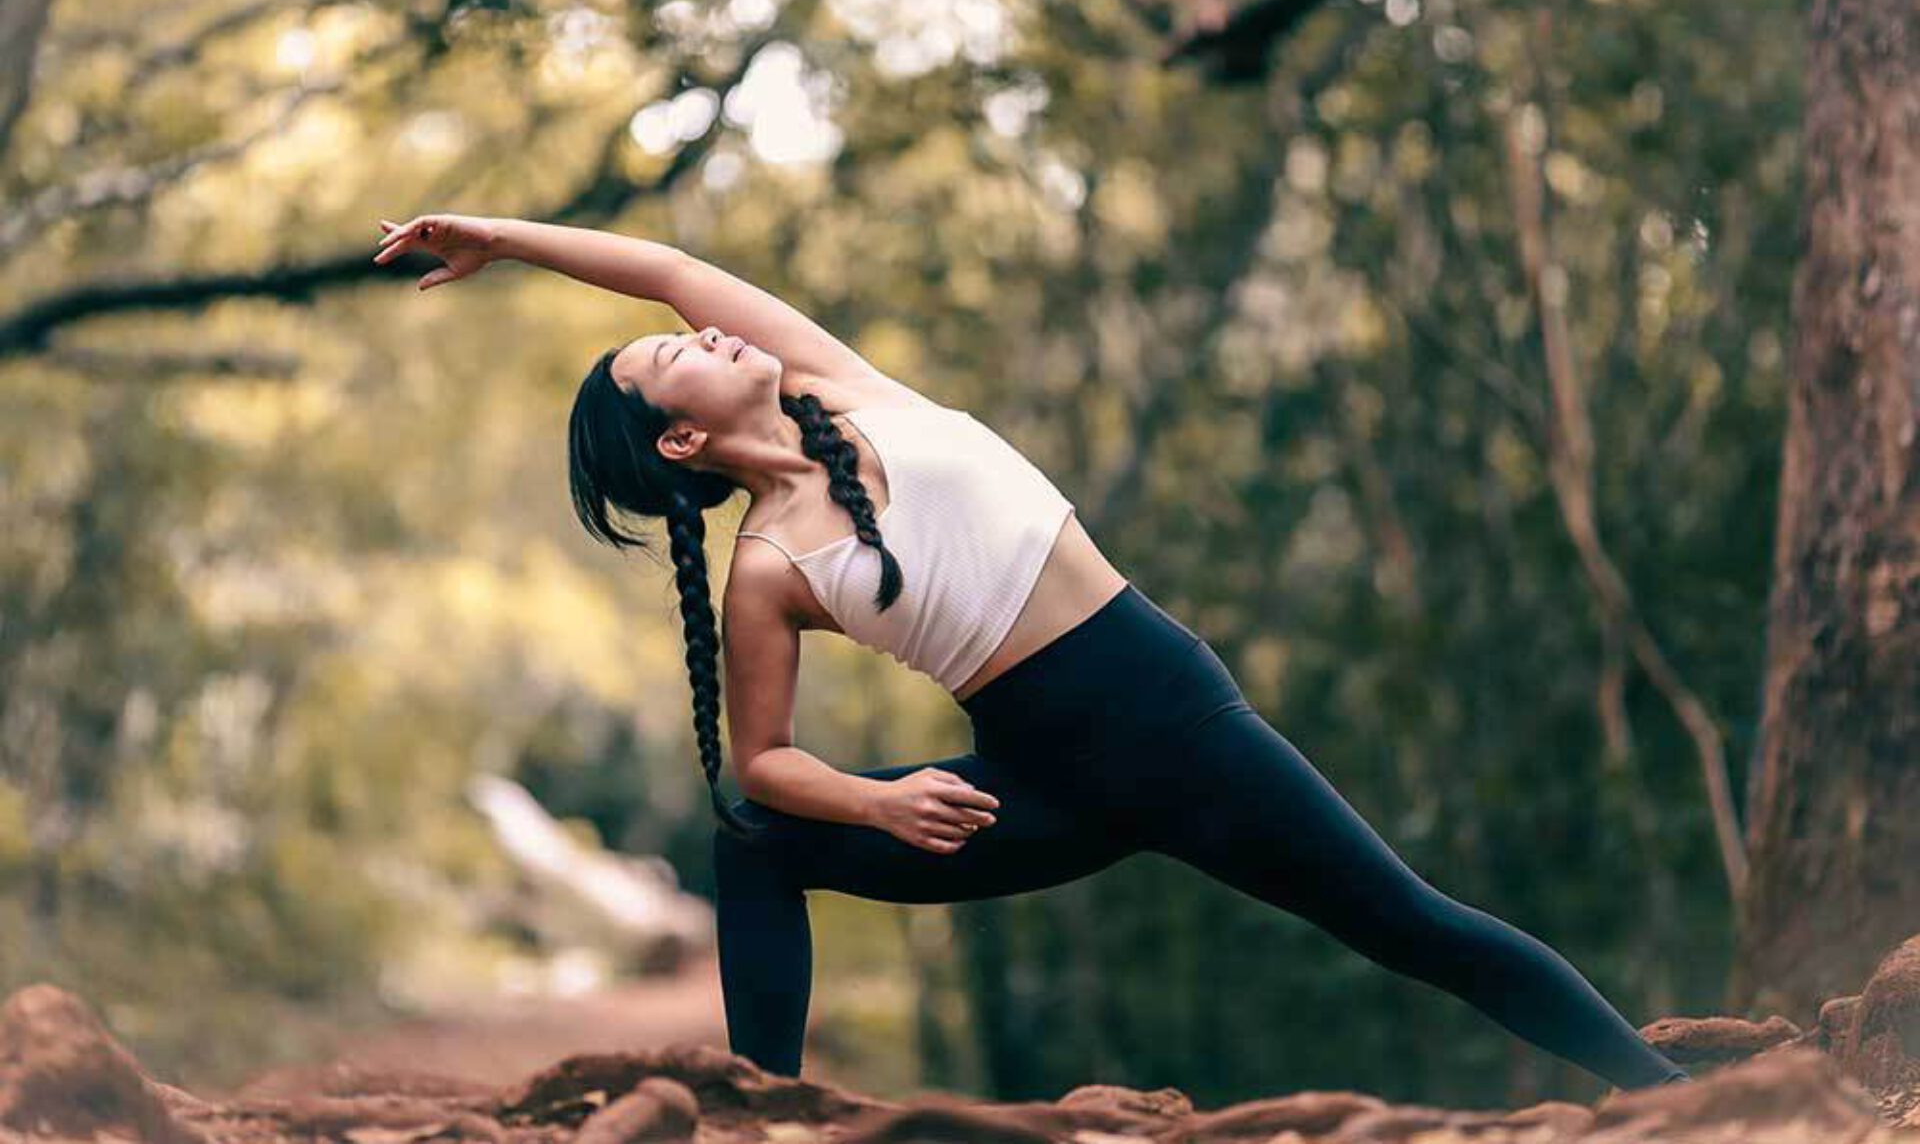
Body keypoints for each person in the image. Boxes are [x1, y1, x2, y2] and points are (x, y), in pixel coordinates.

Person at [372, 214, 1693, 1091]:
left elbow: (660, 265)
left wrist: (499, 236)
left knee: (1414, 924)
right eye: (676, 358)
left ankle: (1688, 1103)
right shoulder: (769, 566)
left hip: (1176, 724)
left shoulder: (838, 385)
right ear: (677, 442)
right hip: (1041, 783)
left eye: (690, 330)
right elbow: (764, 764)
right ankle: (756, 1112)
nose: (706, 328)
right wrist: (881, 797)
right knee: (747, 839)